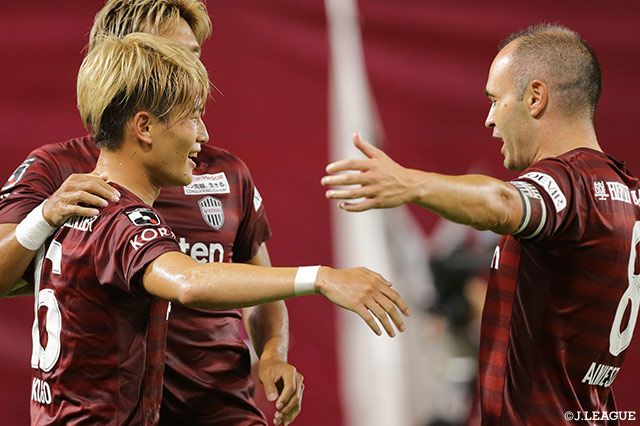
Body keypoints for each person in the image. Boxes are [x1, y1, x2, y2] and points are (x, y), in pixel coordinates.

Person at [24, 32, 408, 425]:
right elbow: (189, 282)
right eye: (192, 116)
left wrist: (272, 352)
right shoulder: (123, 219)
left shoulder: (72, 207)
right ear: (145, 127)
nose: (203, 134)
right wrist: (321, 278)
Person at [322, 24, 640, 425]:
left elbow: (503, 202)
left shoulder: (569, 182)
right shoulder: (626, 190)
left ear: (535, 98)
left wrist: (409, 183)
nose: (489, 119)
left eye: (495, 100)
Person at [0, 1, 295, 425]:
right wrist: (43, 216)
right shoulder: (63, 173)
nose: (191, 69)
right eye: (171, 53)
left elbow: (262, 288)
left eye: (194, 55)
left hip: (219, 409)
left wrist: (272, 354)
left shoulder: (225, 172)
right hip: (114, 408)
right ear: (122, 56)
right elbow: (191, 282)